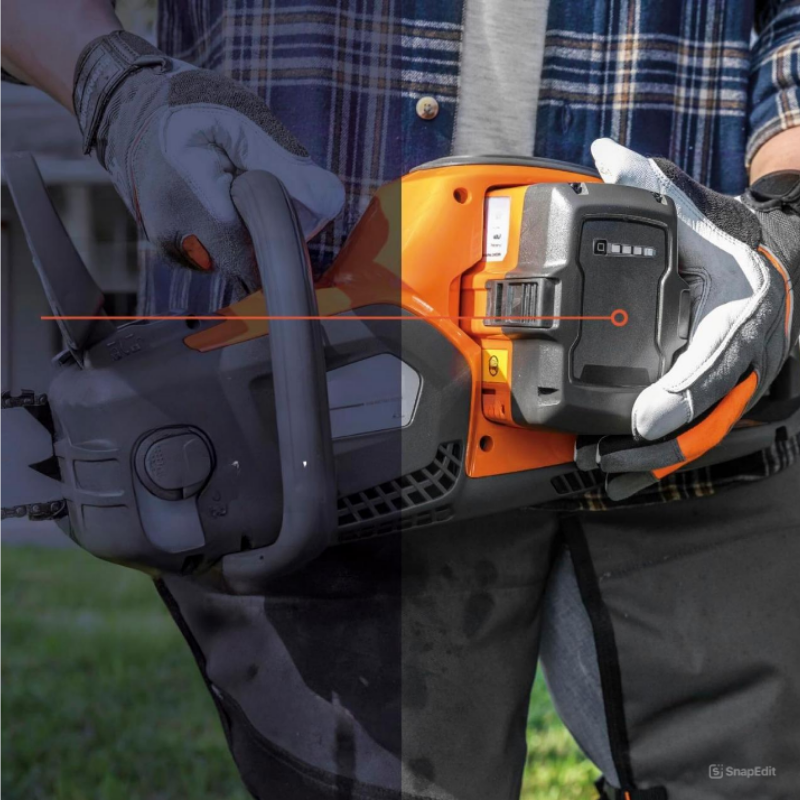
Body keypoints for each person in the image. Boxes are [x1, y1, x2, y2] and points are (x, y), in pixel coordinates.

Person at [3, 2, 799, 798]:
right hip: (321, 409)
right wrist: (115, 85)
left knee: (741, 780)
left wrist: (783, 227)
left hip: (703, 342)